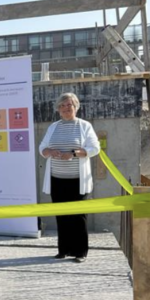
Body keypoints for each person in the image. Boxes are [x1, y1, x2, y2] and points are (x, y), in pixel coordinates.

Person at [39, 92, 100, 263]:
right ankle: (63, 250)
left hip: (77, 181)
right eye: (62, 105)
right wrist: (49, 152)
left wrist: (73, 154)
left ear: (76, 107)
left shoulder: (84, 126)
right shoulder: (53, 127)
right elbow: (42, 148)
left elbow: (95, 148)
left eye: (69, 105)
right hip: (57, 180)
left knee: (78, 216)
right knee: (61, 215)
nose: (66, 108)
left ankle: (80, 252)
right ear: (58, 109)